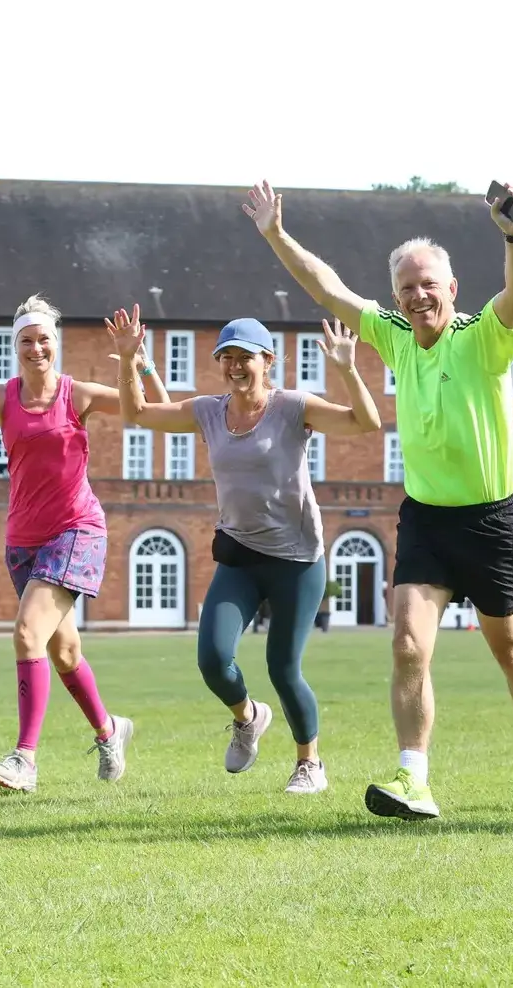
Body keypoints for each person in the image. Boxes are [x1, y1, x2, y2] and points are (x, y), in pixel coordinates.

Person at [245, 179, 513, 820]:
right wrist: (276, 234)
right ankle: (414, 777)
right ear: (397, 297)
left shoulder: (482, 337)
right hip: (425, 519)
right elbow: (328, 287)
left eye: (429, 285)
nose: (419, 296)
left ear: (451, 290)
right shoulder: (392, 336)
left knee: (512, 652)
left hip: (492, 520)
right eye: (407, 287)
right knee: (408, 645)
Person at [110, 306, 380, 793]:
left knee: (283, 667)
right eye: (226, 357)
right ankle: (248, 716)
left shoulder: (294, 407)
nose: (235, 365)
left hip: (297, 560)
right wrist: (129, 360)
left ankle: (309, 764)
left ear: (268, 360)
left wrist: (347, 367)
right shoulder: (207, 411)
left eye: (245, 357)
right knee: (213, 658)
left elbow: (366, 422)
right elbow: (136, 414)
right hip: (239, 554)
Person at [0, 294, 167, 793]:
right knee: (65, 652)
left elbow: (153, 408)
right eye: (26, 340)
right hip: (23, 540)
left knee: (27, 634)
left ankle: (25, 758)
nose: (36, 348)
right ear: (16, 347)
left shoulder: (79, 394)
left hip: (77, 529)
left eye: (44, 339)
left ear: (57, 345)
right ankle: (109, 731)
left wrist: (140, 362)